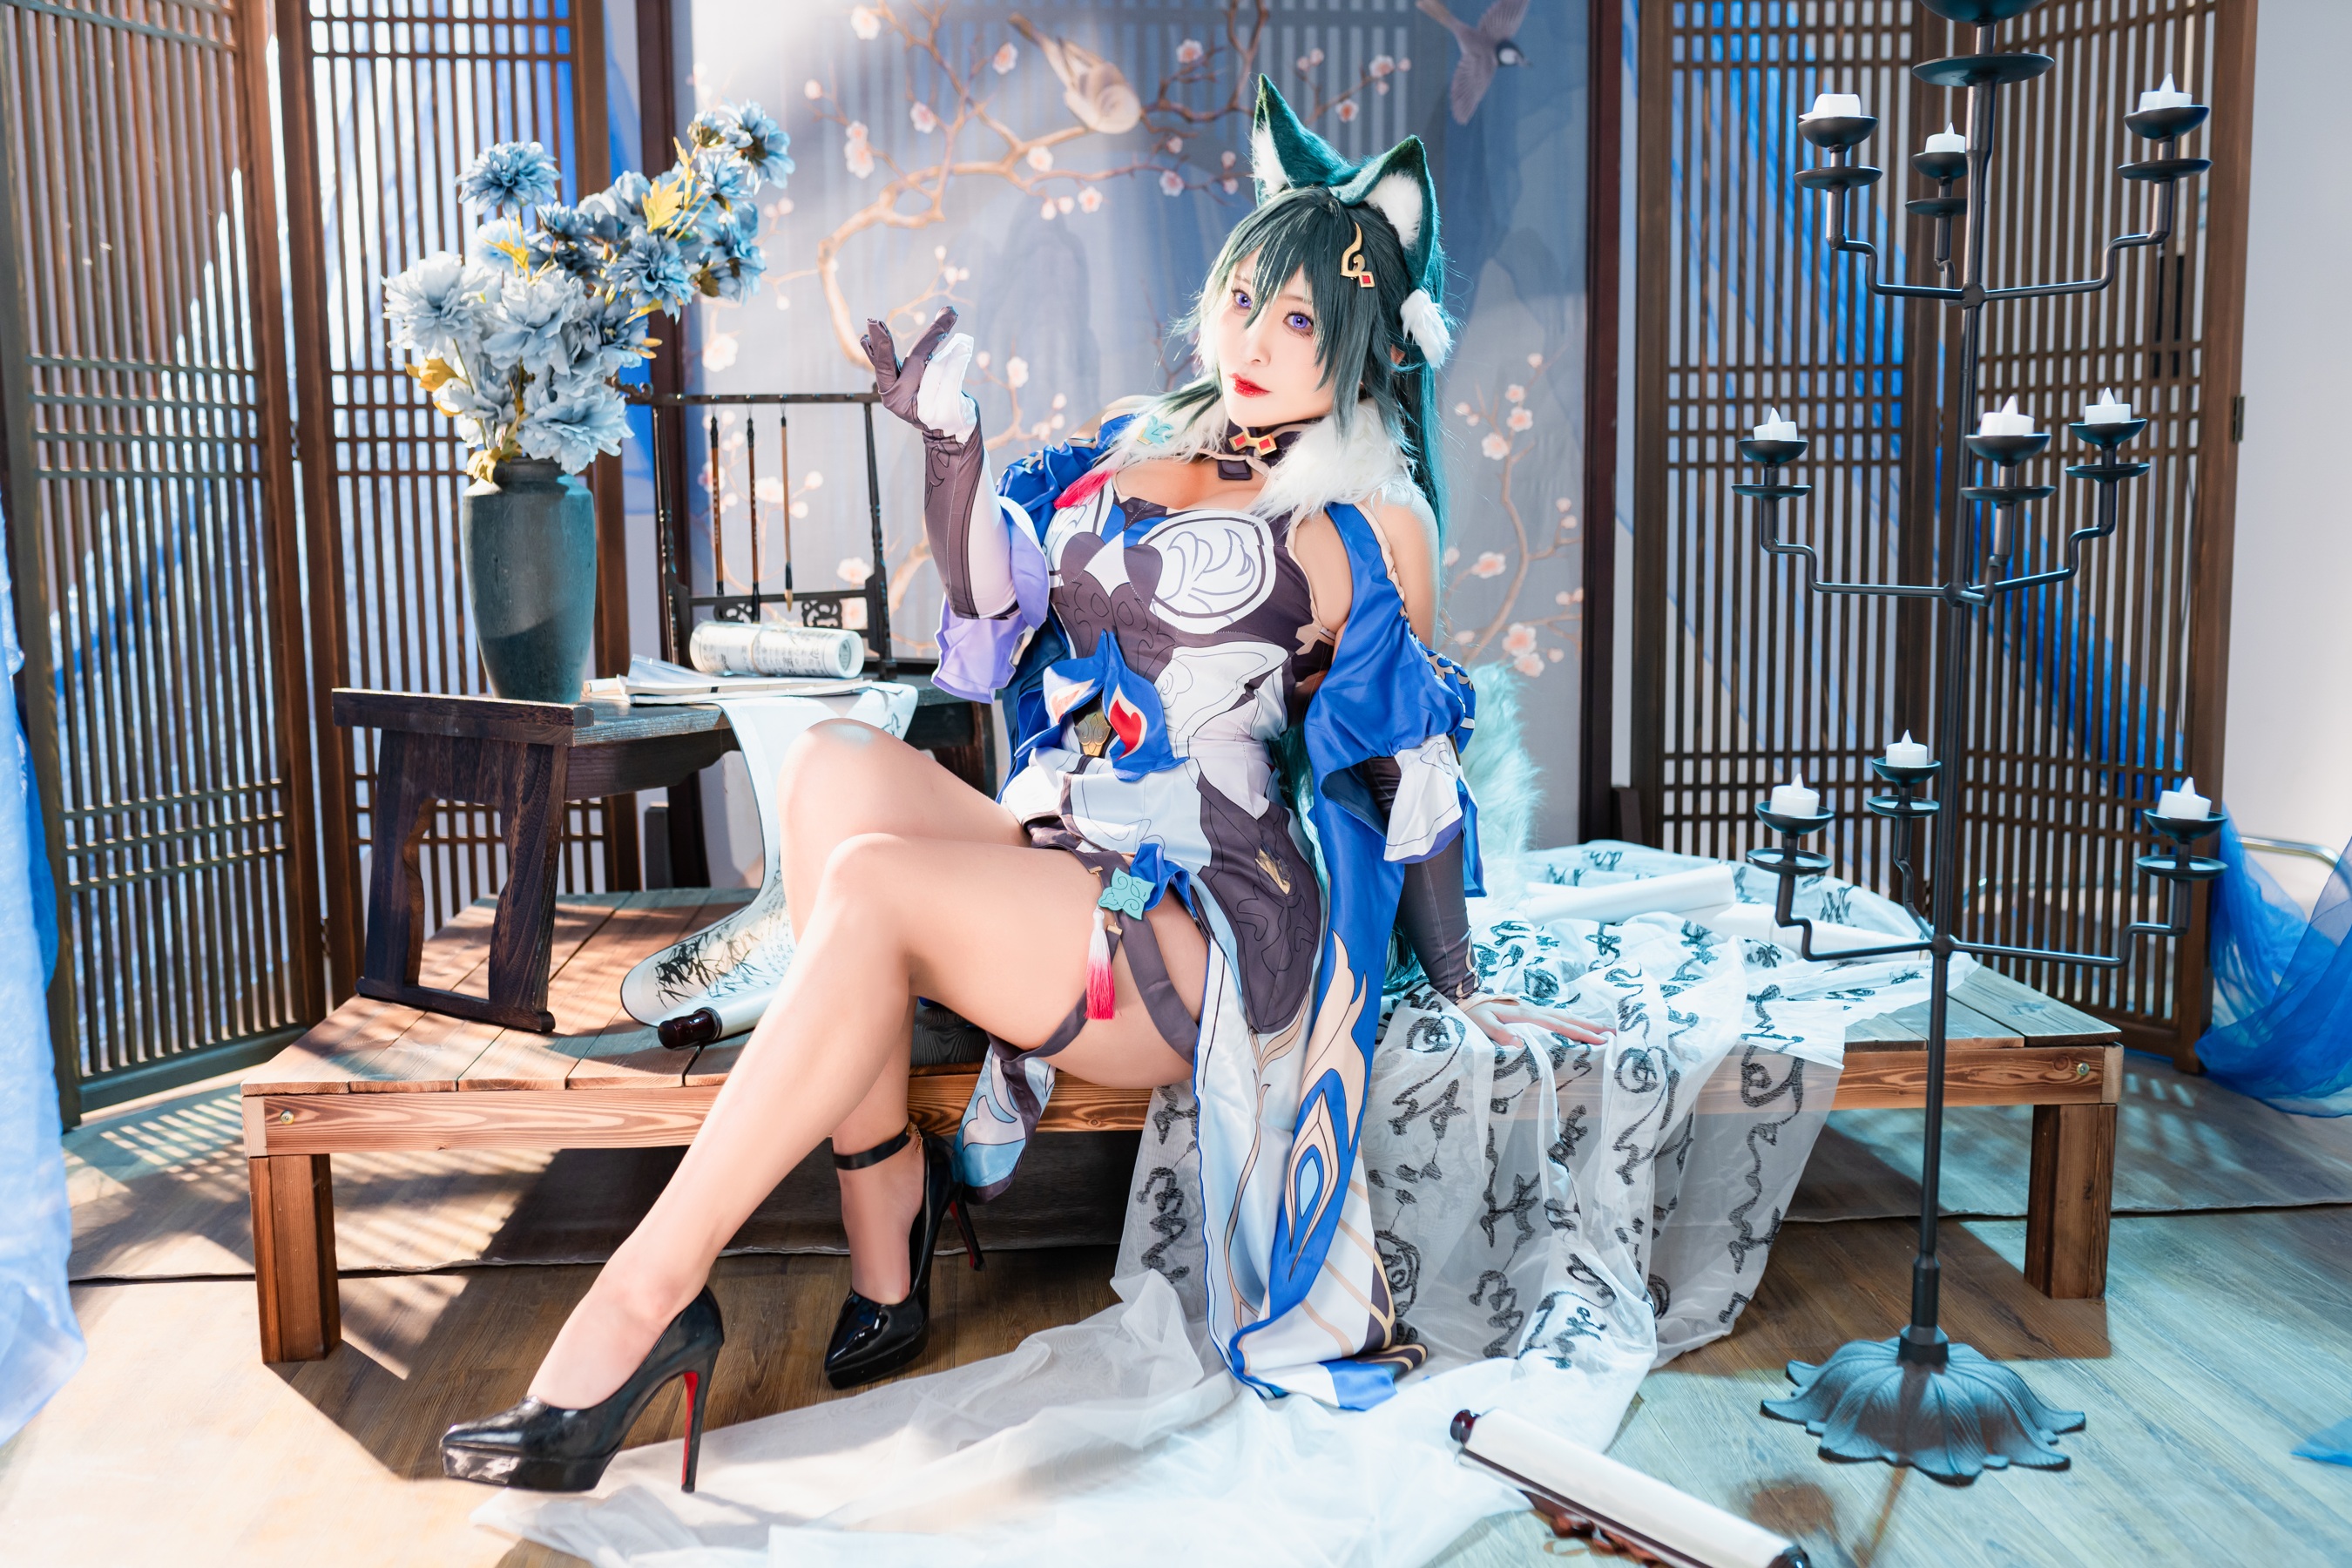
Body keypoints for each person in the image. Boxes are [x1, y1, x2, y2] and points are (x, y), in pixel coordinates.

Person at [439, 78, 1607, 1494]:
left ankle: (647, 1297)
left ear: (1363, 339)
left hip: (1212, 913)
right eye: (1244, 300)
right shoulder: (1136, 446)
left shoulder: (1367, 518)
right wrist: (955, 449)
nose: (1252, 340)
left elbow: (1404, 763)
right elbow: (994, 607)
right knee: (831, 768)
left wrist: (1457, 974)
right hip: (1078, 839)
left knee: (869, 889)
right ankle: (890, 1207)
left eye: (1299, 321)